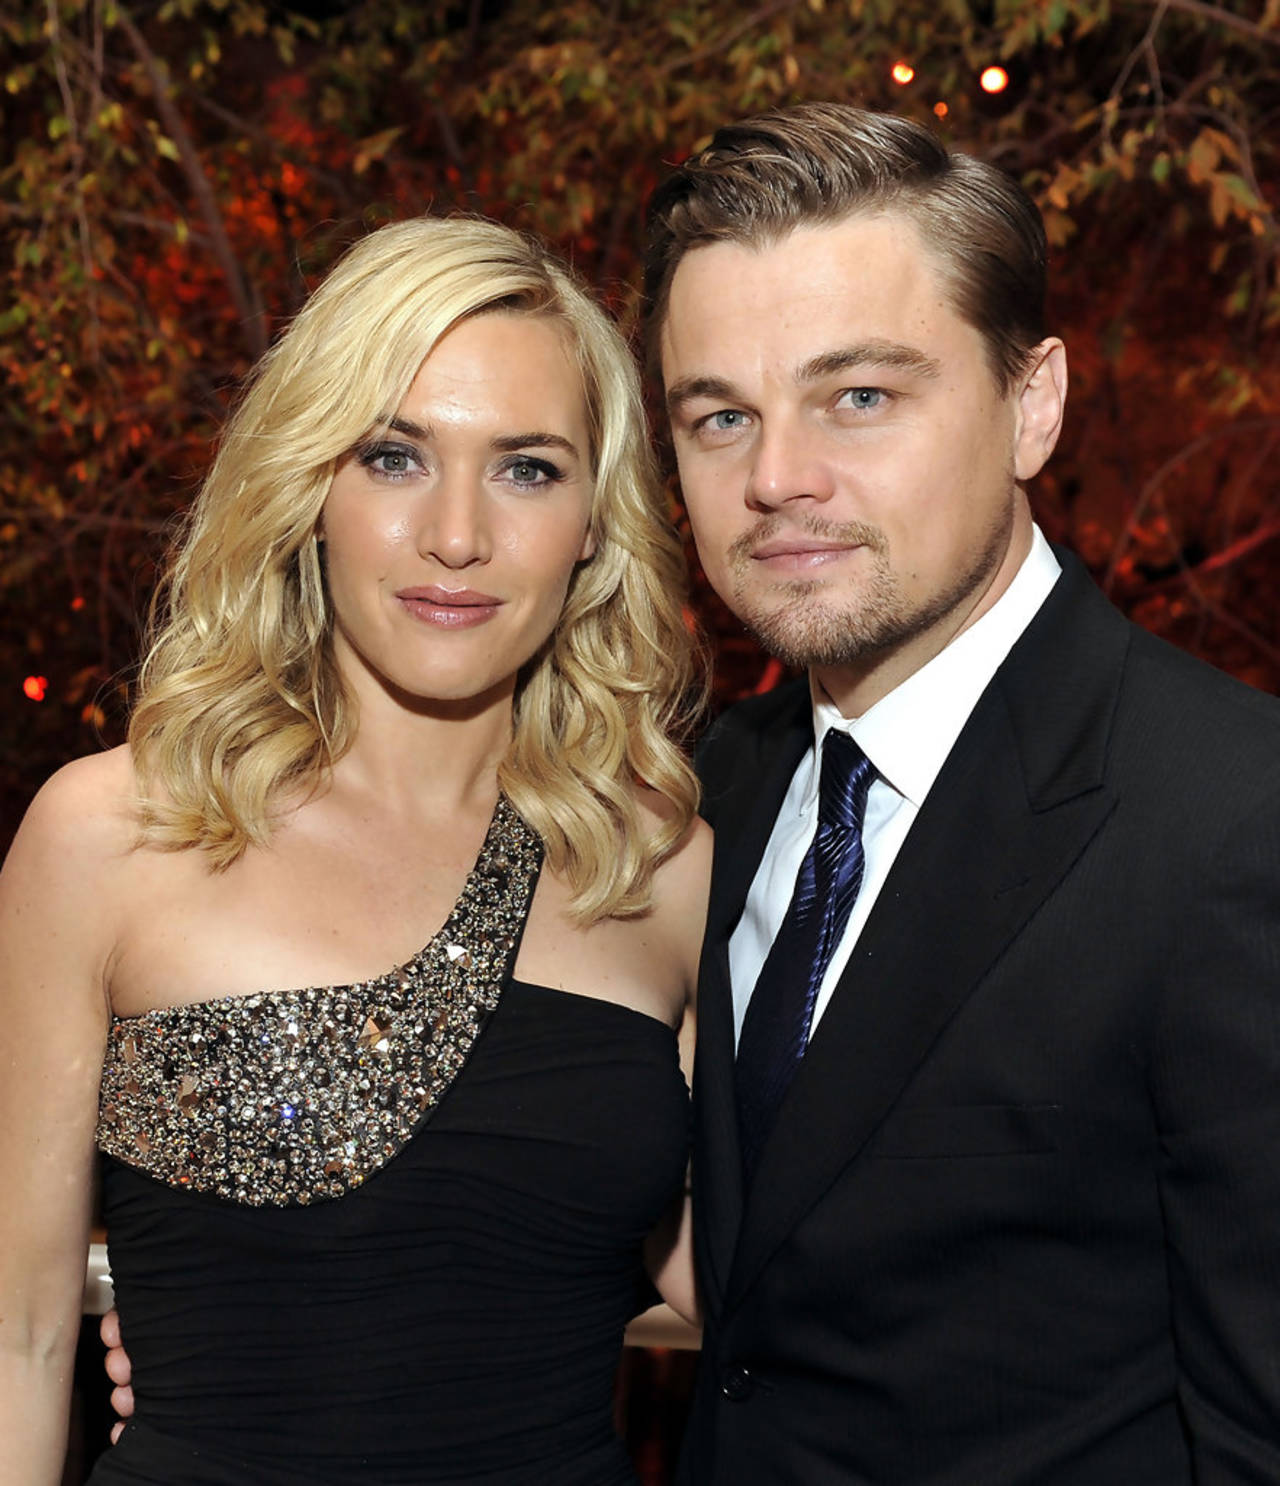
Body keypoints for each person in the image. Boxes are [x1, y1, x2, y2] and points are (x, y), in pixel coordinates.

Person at [0, 215, 710, 1486]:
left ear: (594, 523)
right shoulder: (111, 837)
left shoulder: (660, 869)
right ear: (309, 489)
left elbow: (766, 1292)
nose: (455, 534)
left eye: (526, 469)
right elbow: (22, 1332)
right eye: (393, 456)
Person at [642, 103, 1280, 1484]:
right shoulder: (711, 788)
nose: (775, 478)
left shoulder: (1232, 819)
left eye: (859, 397)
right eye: (720, 416)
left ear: (1031, 403)